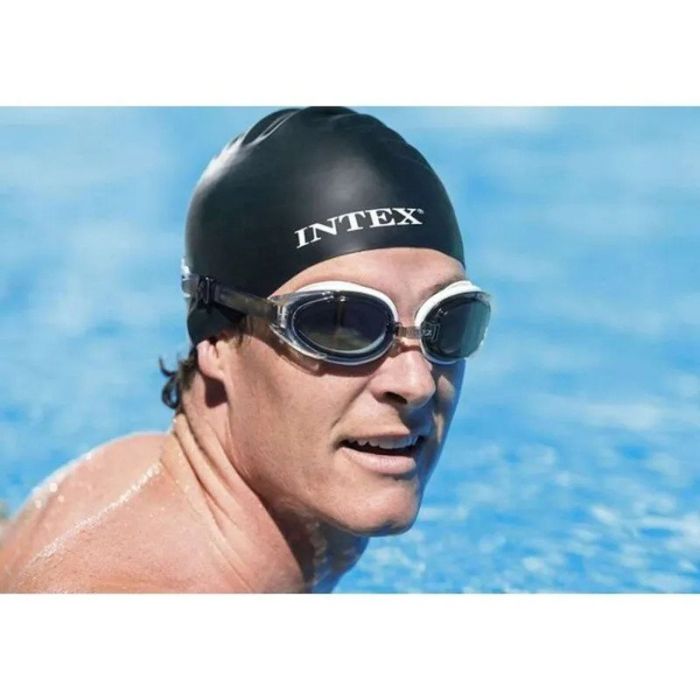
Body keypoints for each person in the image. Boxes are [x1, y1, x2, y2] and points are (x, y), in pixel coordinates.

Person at [0, 107, 490, 593]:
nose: (416, 383)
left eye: (447, 320)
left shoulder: (131, 473)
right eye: (342, 325)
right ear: (217, 338)